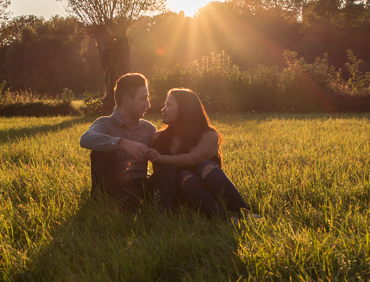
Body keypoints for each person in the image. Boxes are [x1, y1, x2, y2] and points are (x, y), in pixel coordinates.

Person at [149, 87, 251, 218]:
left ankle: (243, 211)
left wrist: (162, 158)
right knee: (184, 174)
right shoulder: (157, 138)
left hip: (207, 192)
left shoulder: (208, 135)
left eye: (168, 105)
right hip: (175, 197)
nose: (163, 110)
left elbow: (193, 159)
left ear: (184, 109)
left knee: (206, 166)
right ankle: (224, 218)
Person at [79, 73, 157, 209]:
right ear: (126, 100)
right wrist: (123, 143)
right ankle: (129, 206)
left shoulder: (148, 128)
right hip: (111, 188)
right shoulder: (105, 124)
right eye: (143, 98)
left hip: (140, 185)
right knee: (100, 153)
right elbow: (86, 139)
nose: (148, 104)